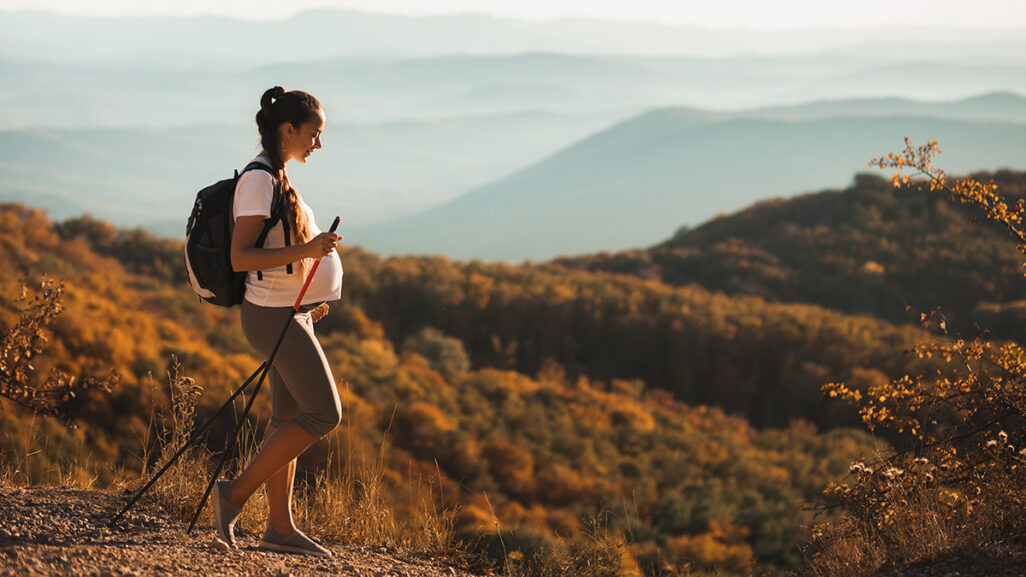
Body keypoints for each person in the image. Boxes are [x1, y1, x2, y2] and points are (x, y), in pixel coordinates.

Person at [211, 86, 344, 557]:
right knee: (325, 413)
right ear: (288, 130)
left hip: (290, 313)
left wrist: (307, 301)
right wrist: (310, 251)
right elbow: (241, 256)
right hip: (269, 317)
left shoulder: (280, 176)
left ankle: (279, 529)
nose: (318, 144)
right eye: (314, 134)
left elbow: (274, 257)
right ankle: (234, 494)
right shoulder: (259, 182)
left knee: (286, 417)